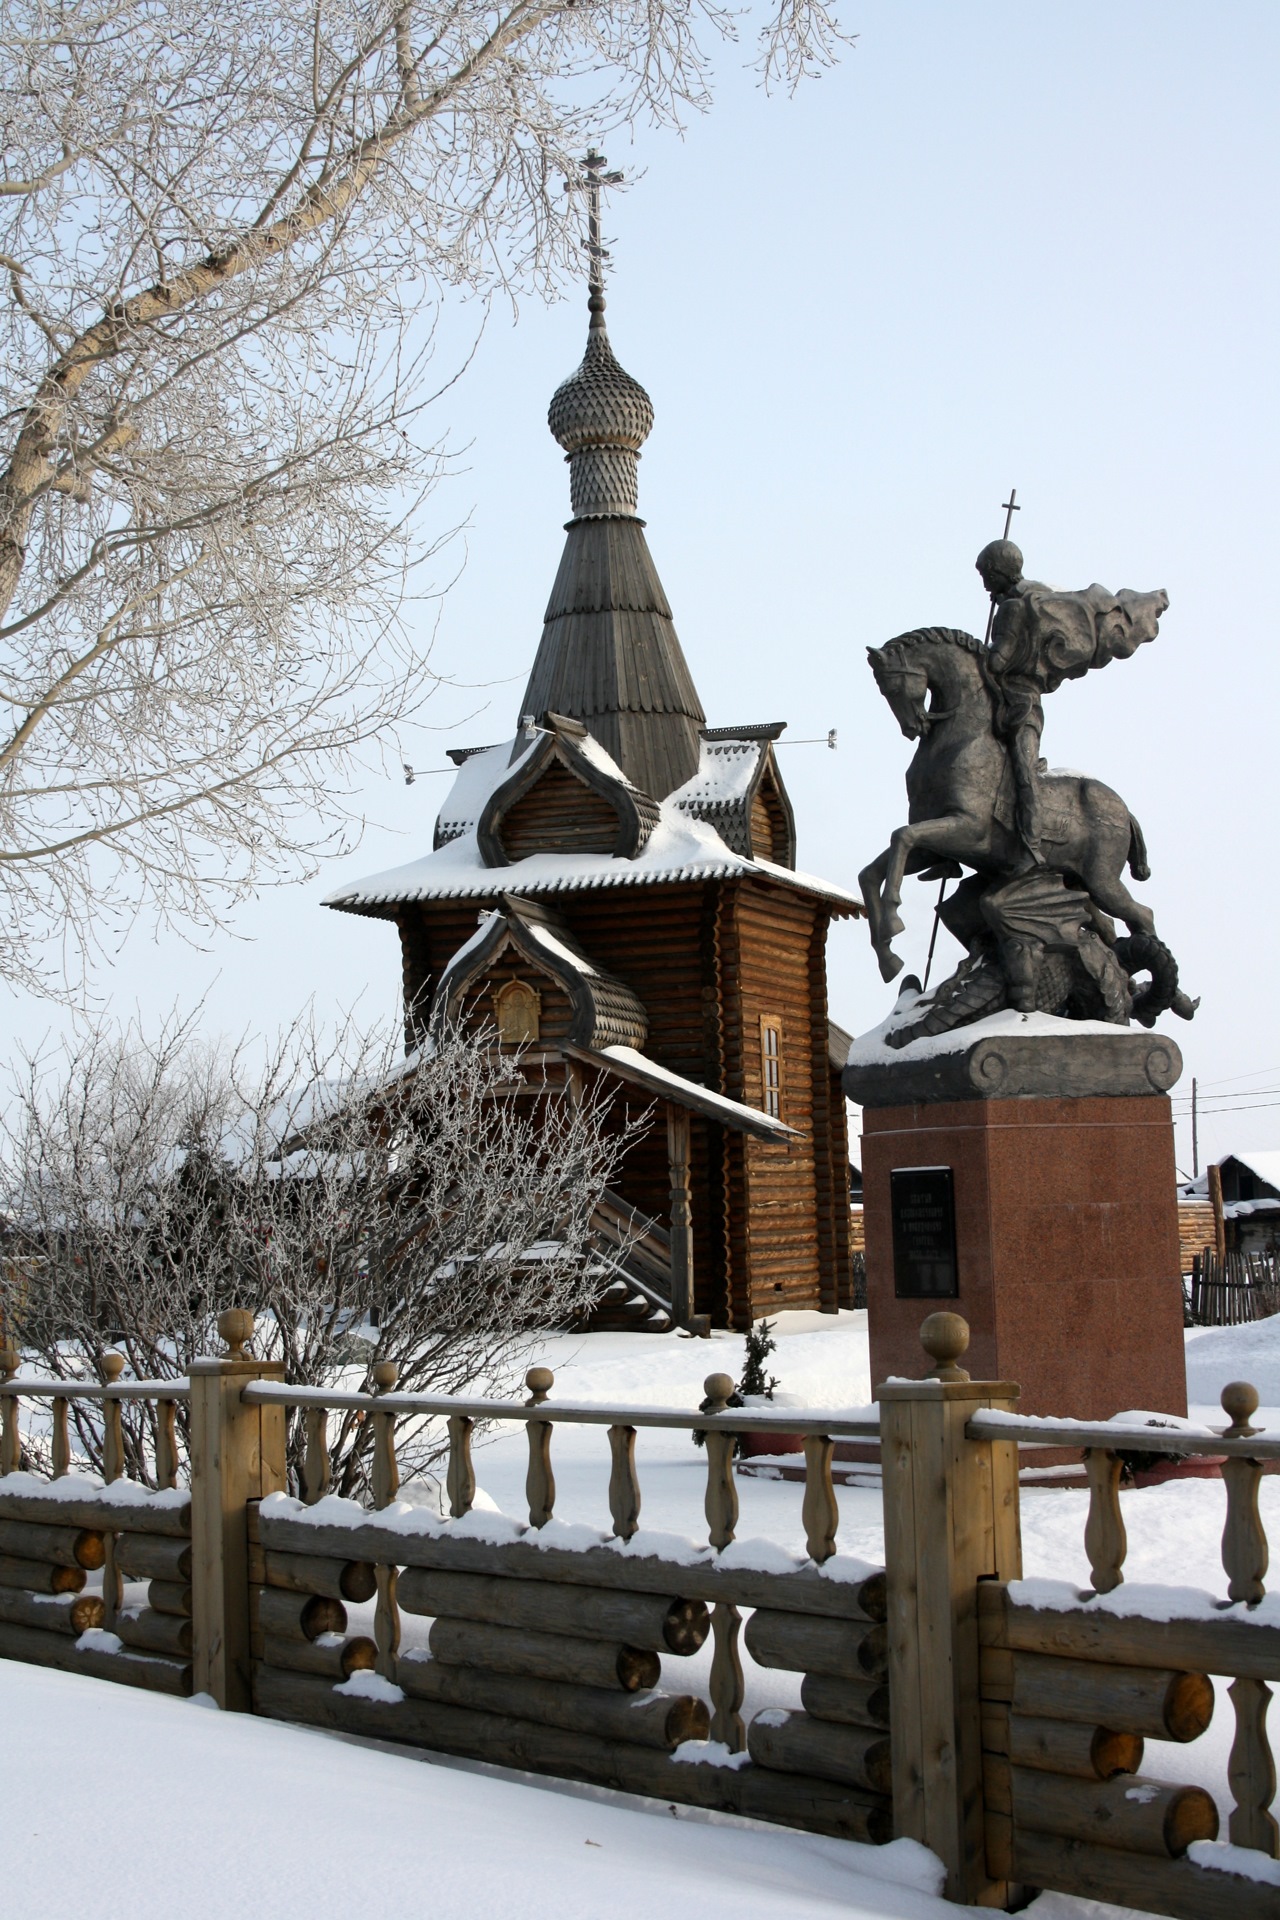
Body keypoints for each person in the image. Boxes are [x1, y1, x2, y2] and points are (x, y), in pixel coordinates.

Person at [976, 540, 1168, 870]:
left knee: (1024, 772)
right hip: (998, 702)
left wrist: (976, 654)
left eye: (985, 575)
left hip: (1020, 706)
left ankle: (1030, 842)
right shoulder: (1027, 602)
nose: (983, 583)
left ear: (995, 572)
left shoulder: (1017, 608)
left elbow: (999, 660)